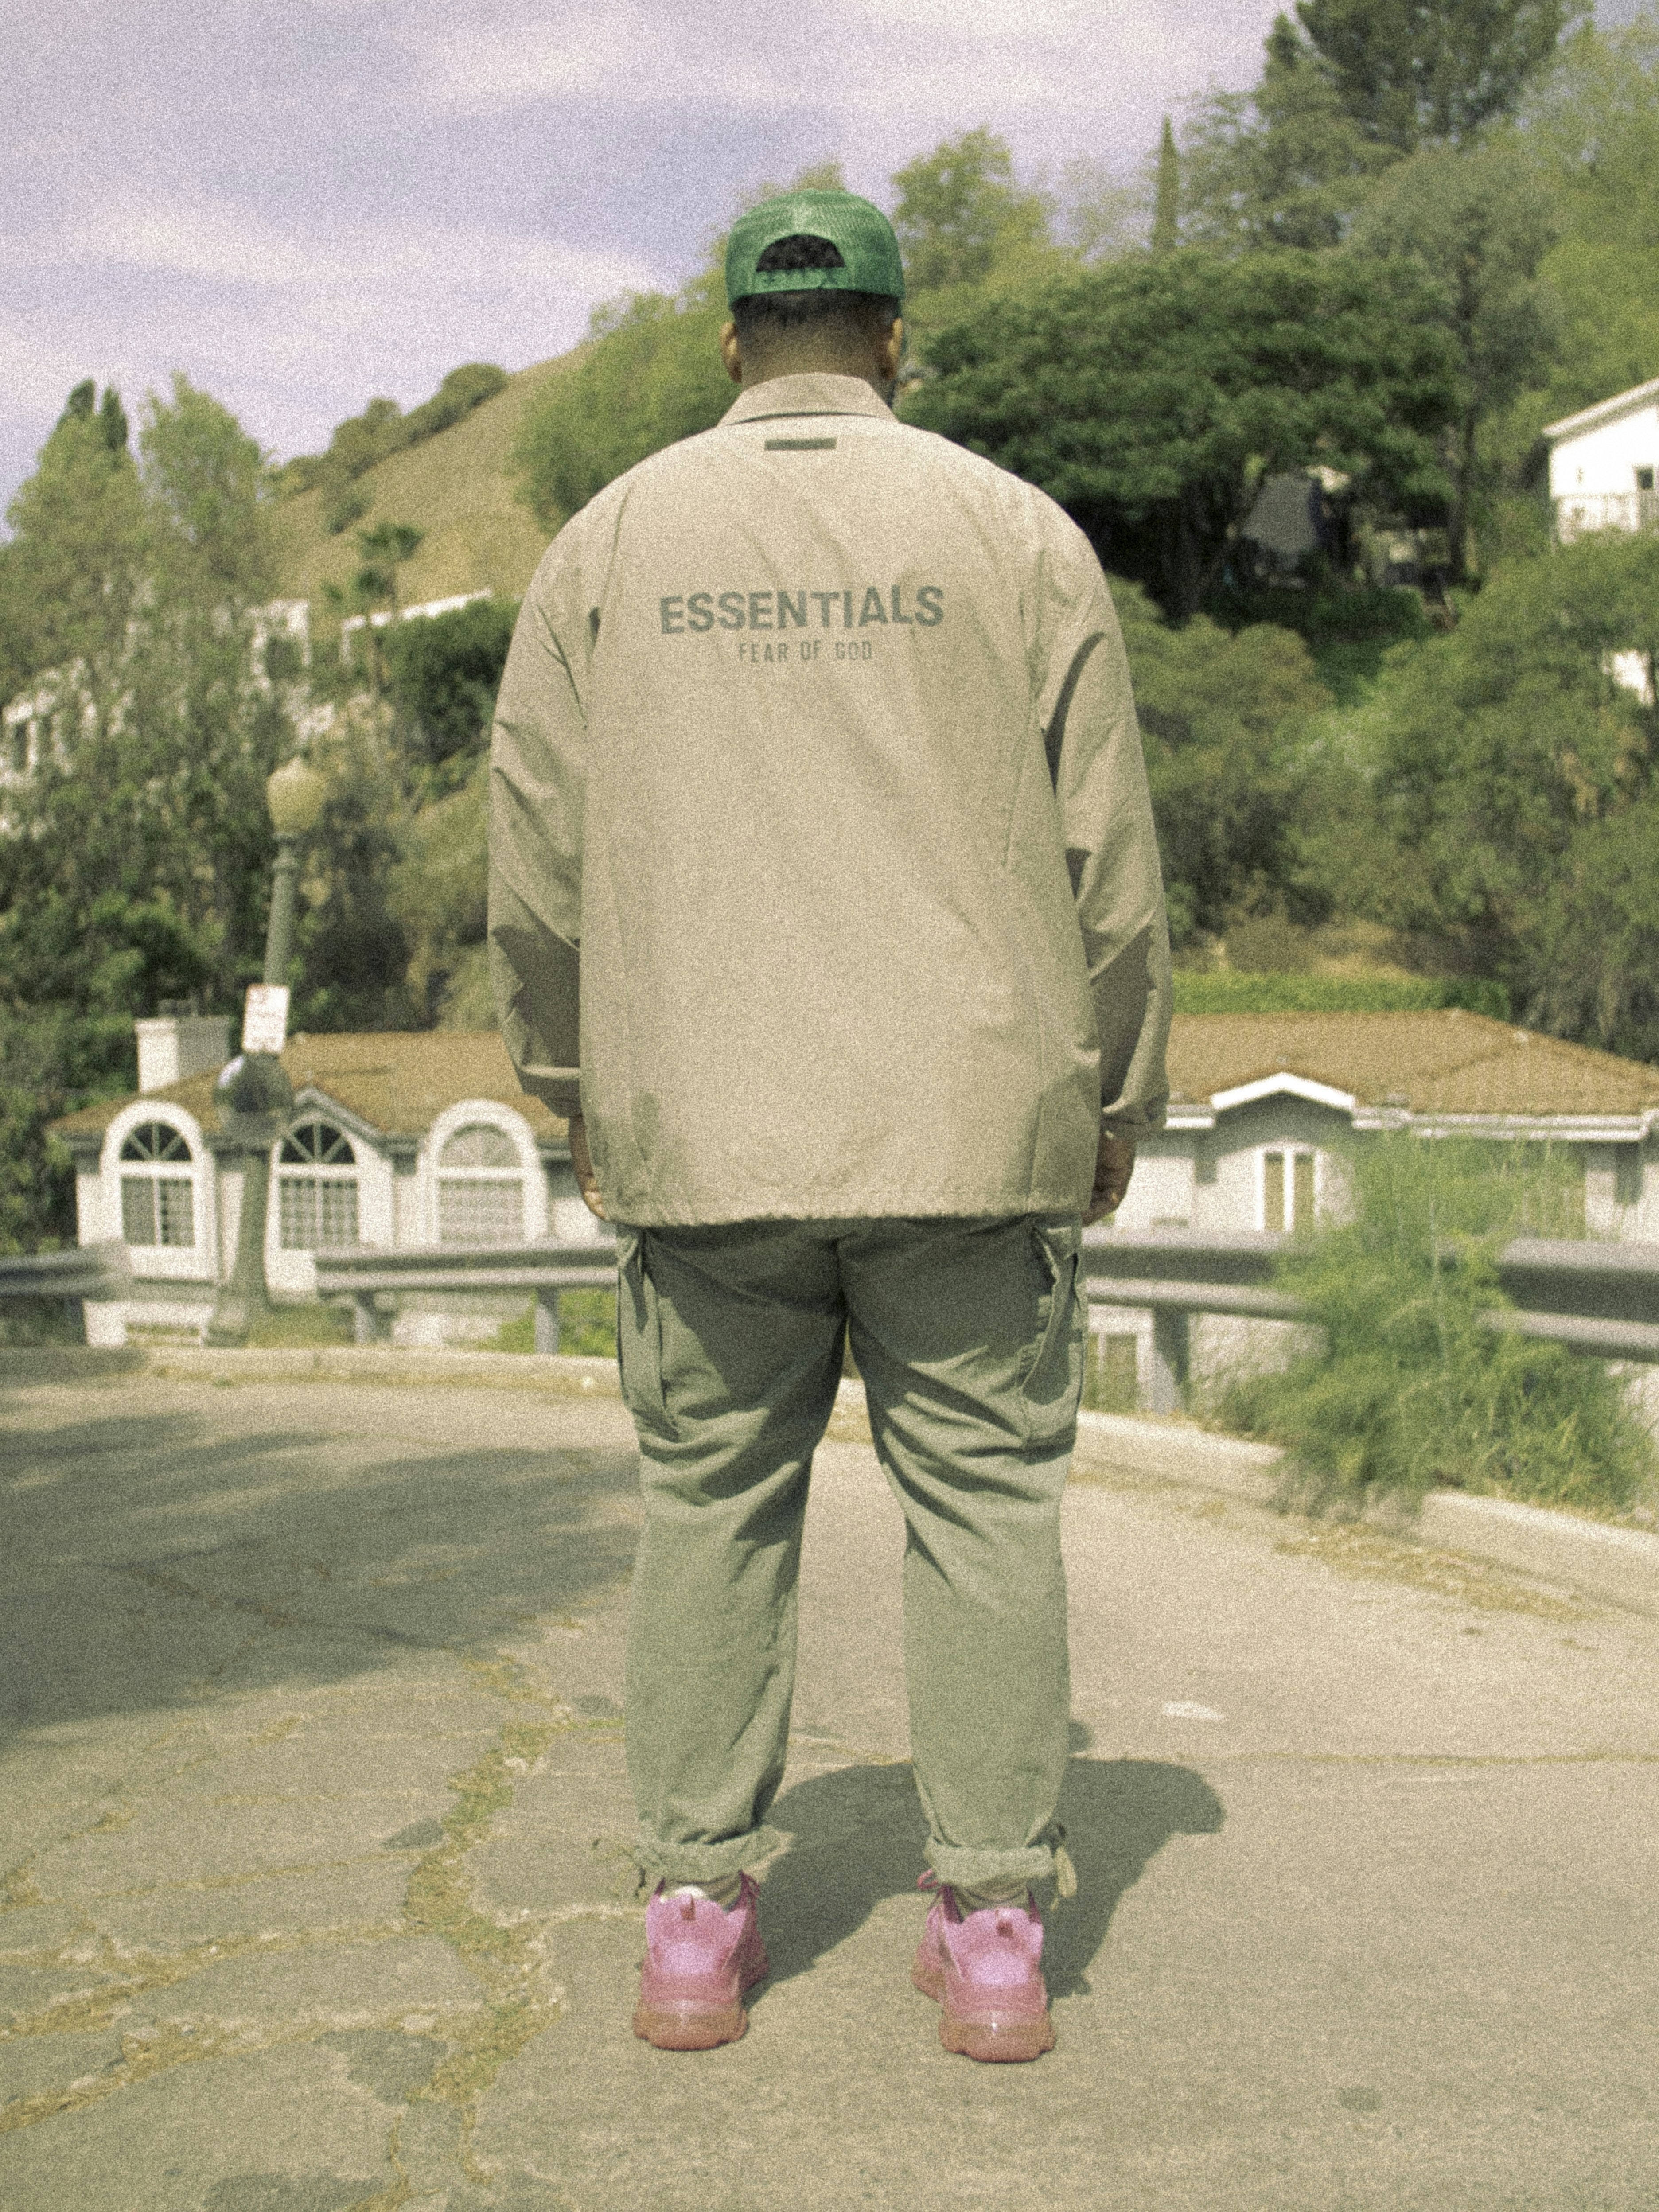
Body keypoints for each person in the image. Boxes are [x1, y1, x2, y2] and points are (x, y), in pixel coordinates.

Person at [488, 186, 1171, 2062]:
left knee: (710, 1510)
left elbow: (536, 866)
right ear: (893, 338)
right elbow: (1110, 857)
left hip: (703, 1135)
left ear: (731, 345)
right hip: (969, 1125)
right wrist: (1118, 1092)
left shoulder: (609, 545)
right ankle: (1002, 1933)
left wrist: (573, 1087)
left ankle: (698, 1926)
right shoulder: (1018, 536)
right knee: (982, 1514)